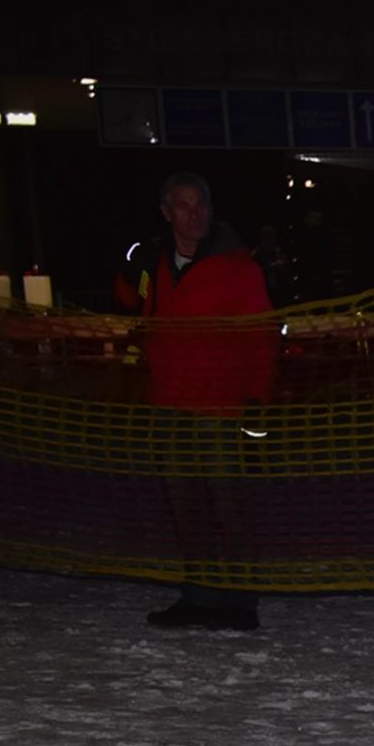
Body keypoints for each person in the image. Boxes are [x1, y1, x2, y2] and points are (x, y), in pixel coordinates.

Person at [122, 173, 274, 631]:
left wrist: (257, 402)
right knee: (185, 504)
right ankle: (199, 594)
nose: (195, 215)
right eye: (184, 206)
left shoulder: (238, 266)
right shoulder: (155, 262)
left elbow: (262, 335)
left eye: (201, 205)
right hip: (170, 404)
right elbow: (139, 318)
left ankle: (239, 599)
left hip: (220, 407)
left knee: (228, 502)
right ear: (167, 212)